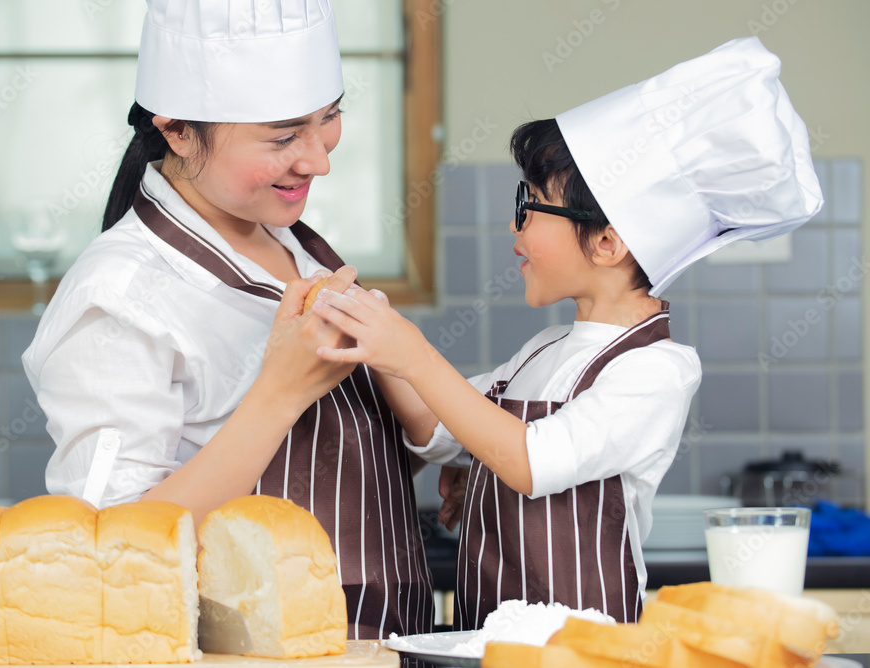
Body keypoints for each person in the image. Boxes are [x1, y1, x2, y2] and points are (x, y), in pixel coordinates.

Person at [311, 36, 823, 629]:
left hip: (586, 650)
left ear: (607, 242)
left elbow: (531, 462)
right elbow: (437, 427)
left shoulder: (656, 370)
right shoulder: (543, 350)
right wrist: (375, 339)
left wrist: (415, 354)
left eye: (530, 204)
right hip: (485, 641)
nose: (514, 222)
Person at [22, 0, 434, 639]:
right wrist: (281, 393)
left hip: (381, 640)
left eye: (330, 118)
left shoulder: (292, 243)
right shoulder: (120, 297)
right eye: (281, 135)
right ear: (179, 131)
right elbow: (108, 557)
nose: (318, 159)